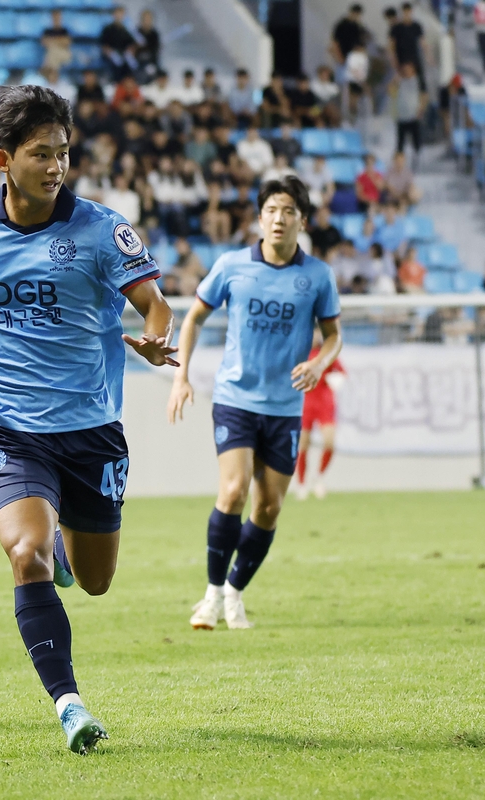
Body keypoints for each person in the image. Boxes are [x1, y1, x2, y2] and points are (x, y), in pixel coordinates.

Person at [0, 85, 176, 755]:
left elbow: (156, 305)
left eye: (63, 152)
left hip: (90, 432)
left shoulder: (101, 228)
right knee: (22, 553)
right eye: (40, 153)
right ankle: (70, 706)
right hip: (10, 430)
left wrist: (151, 338)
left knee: (94, 581)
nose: (56, 165)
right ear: (3, 158)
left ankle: (68, 548)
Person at [167, 176, 341, 632]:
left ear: (302, 220)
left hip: (284, 406)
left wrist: (320, 363)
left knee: (268, 509)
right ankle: (210, 597)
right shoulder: (231, 266)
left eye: (288, 211)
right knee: (233, 491)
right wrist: (181, 376)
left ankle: (235, 592)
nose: (278, 219)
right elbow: (194, 319)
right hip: (235, 398)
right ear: (259, 219)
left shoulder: (317, 276)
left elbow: (334, 336)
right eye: (270, 211)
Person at [293, 330, 345, 500]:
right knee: (303, 445)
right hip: (305, 402)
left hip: (324, 401)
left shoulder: (326, 354)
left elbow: (341, 372)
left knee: (329, 442)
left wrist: (336, 379)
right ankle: (301, 484)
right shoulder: (300, 353)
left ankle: (319, 477)